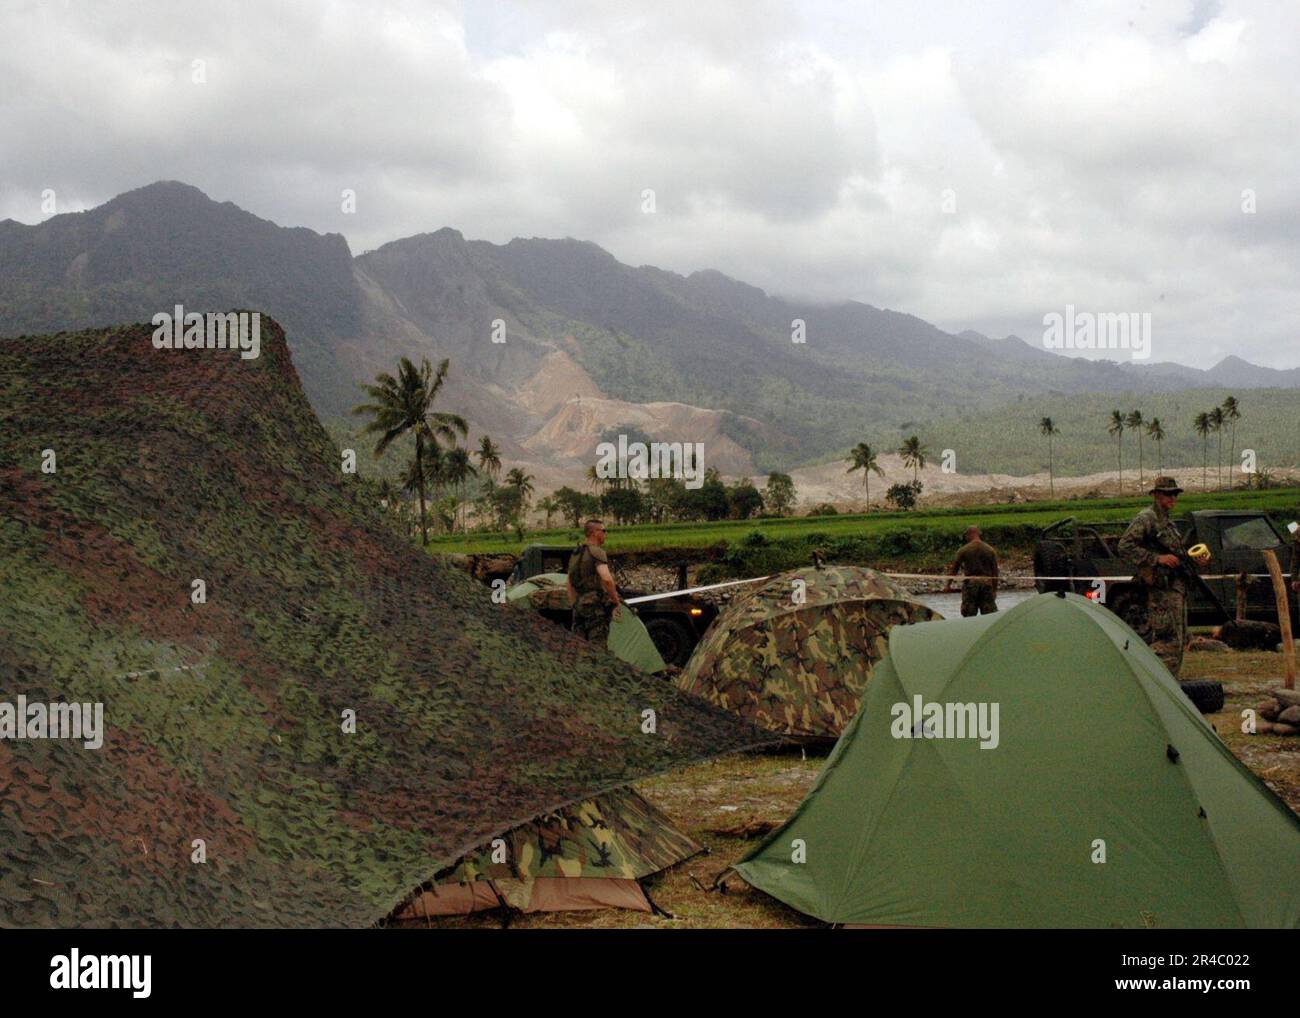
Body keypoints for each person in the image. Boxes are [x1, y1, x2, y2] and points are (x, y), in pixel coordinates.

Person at [1117, 476, 1190, 677]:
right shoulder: (1147, 519)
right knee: (1166, 641)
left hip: (1174, 587)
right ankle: (1154, 682)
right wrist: (1156, 559)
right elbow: (1125, 546)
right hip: (1160, 591)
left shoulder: (1167, 522)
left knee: (1178, 640)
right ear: (1156, 495)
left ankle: (1170, 684)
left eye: (1175, 494)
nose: (1172, 498)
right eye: (1167, 494)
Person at [567, 519, 621, 643]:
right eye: (603, 531)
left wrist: (574, 605)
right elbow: (607, 579)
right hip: (594, 606)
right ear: (594, 532)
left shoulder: (576, 554)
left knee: (578, 645)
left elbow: (569, 583)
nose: (605, 534)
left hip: (579, 605)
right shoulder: (597, 552)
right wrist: (616, 602)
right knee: (597, 647)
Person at [945, 525, 999, 616]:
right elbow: (995, 572)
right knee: (989, 615)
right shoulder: (990, 550)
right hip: (986, 584)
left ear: (970, 534)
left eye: (966, 536)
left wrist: (948, 585)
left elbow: (954, 569)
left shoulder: (963, 550)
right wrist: (994, 589)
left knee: (969, 614)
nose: (966, 538)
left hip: (970, 585)